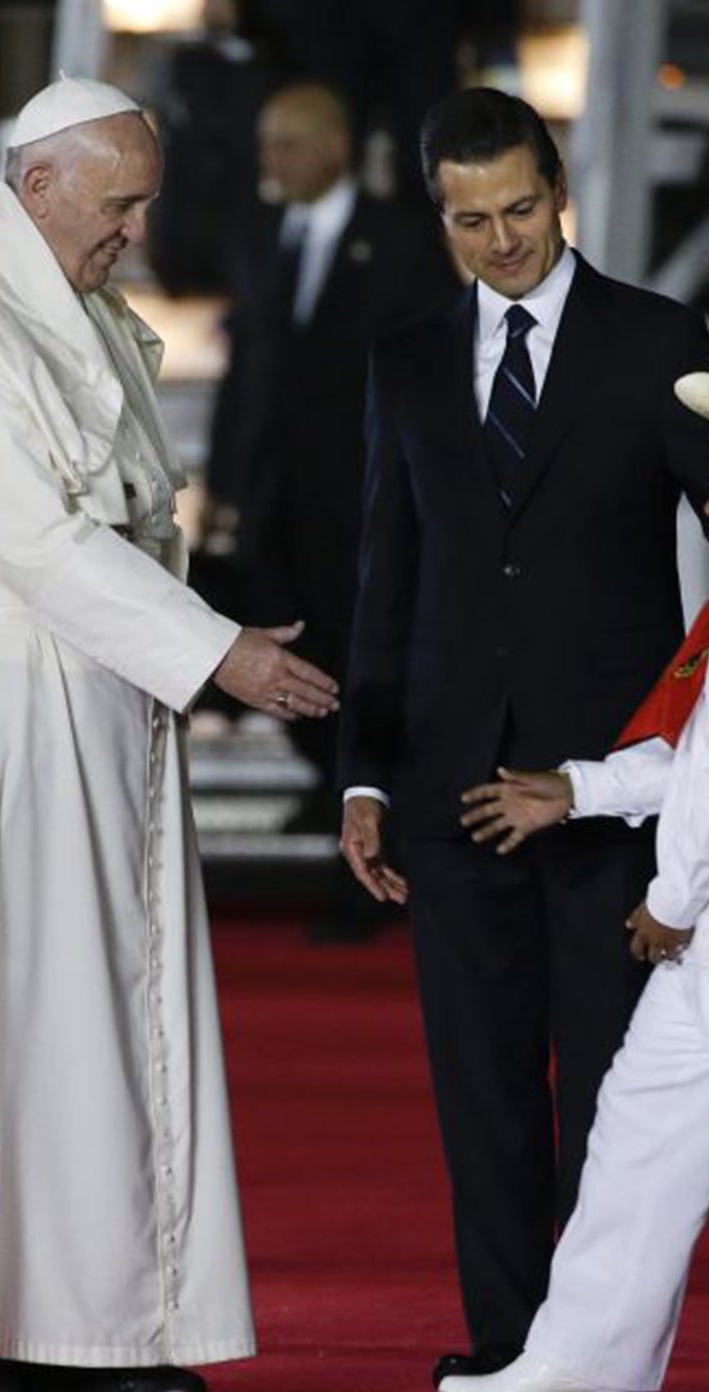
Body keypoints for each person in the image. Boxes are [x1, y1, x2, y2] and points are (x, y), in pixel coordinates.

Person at [0, 75, 337, 1392]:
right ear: (37, 181)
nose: (135, 232)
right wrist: (215, 649)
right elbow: (31, 536)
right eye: (120, 204)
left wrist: (208, 623)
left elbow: (117, 524)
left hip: (82, 687)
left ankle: (103, 1327)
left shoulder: (74, 301)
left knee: (104, 1015)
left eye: (144, 204)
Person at [337, 87, 709, 1384]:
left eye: (517, 210)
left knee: (615, 1092)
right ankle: (513, 1341)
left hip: (608, 790)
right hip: (448, 789)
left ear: (561, 192)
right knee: (484, 1096)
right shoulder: (403, 361)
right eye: (468, 221)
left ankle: (606, 1344)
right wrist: (366, 777)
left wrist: (691, 756)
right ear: (438, 216)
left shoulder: (660, 340)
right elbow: (387, 579)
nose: (500, 241)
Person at [435, 370, 709, 1392]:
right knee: (639, 1127)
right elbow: (705, 757)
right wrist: (578, 790)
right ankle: (585, 1351)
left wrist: (670, 899)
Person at [208, 79, 457, 936]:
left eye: (290, 141)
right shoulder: (255, 235)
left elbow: (428, 373)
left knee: (365, 671)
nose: (272, 158)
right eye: (267, 140)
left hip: (369, 504)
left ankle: (372, 870)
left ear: (338, 145)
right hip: (278, 510)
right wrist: (230, 490)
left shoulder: (399, 241)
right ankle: (340, 802)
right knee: (296, 671)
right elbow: (249, 375)